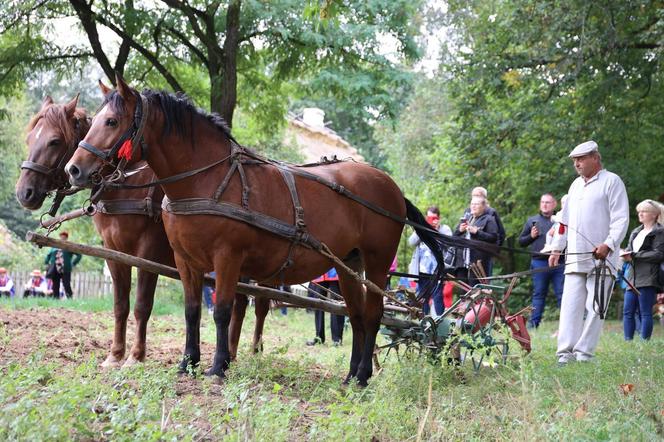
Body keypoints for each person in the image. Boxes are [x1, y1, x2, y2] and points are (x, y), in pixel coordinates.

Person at [549, 140, 629, 365]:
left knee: (596, 308)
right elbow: (563, 221)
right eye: (575, 160)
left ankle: (584, 354)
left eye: (581, 158)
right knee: (570, 307)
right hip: (575, 258)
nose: (577, 163)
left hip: (603, 259)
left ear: (595, 157)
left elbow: (621, 218)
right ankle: (565, 354)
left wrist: (609, 243)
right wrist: (557, 247)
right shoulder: (575, 186)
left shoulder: (612, 181)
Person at [620, 199, 664, 341]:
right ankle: (628, 341)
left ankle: (644, 342)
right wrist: (624, 254)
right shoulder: (636, 232)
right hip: (631, 276)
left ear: (654, 215)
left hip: (648, 277)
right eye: (639, 211)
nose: (640, 214)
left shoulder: (660, 232)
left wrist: (634, 255)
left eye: (644, 211)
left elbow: (658, 254)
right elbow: (629, 250)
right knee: (627, 311)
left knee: (645, 312)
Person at [518, 193, 565, 328]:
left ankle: (565, 325)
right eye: (543, 202)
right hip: (539, 263)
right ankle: (534, 324)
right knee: (539, 294)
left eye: (548, 202)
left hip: (559, 262)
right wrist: (531, 236)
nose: (545, 205)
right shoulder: (532, 221)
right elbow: (521, 242)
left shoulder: (561, 220)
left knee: (562, 294)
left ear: (554, 204)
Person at [408, 205, 452, 315]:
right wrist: (423, 229)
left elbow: (450, 245)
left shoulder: (444, 229)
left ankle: (439, 323)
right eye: (429, 217)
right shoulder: (421, 227)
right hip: (422, 269)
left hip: (438, 269)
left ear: (439, 218)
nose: (431, 220)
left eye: (434, 218)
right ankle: (423, 320)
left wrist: (436, 231)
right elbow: (411, 242)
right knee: (423, 296)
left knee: (438, 296)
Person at [453, 195, 499, 286]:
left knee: (476, 290)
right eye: (472, 204)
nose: (473, 206)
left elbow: (493, 238)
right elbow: (453, 237)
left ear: (483, 206)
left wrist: (477, 232)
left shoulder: (489, 219)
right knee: (464, 292)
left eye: (476, 204)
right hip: (462, 263)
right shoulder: (466, 218)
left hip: (477, 264)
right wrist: (460, 231)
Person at [306, 269, 345, 346]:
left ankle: (337, 339)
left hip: (335, 271)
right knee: (318, 304)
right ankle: (319, 337)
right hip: (320, 272)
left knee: (336, 305)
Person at [44, 231, 81, 299]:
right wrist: (47, 263)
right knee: (55, 284)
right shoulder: (54, 247)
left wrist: (73, 263)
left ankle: (70, 298)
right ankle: (55, 299)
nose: (62, 238)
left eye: (64, 237)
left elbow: (79, 255)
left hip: (65, 269)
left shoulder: (69, 246)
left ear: (66, 238)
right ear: (60, 237)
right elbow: (48, 255)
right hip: (55, 268)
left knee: (66, 284)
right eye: (61, 237)